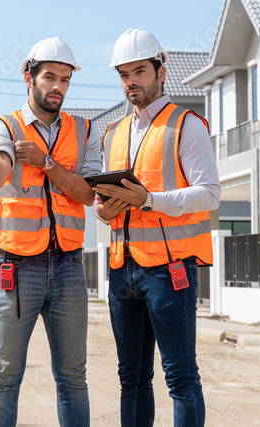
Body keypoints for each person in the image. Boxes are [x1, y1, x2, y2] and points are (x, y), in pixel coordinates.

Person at [93, 28, 221, 427]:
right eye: (124, 74)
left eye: (140, 71)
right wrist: (105, 210)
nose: (132, 81)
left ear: (160, 72)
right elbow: (109, 208)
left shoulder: (186, 124)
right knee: (131, 379)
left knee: (181, 378)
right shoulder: (113, 132)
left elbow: (210, 195)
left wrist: (149, 200)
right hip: (121, 269)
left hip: (171, 270)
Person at [0, 37, 100, 427]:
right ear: (28, 77)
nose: (58, 86)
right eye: (50, 77)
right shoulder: (6, 125)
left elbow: (87, 193)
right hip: (15, 268)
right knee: (5, 377)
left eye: (65, 79)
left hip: (67, 267)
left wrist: (47, 163)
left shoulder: (84, 130)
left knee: (73, 378)